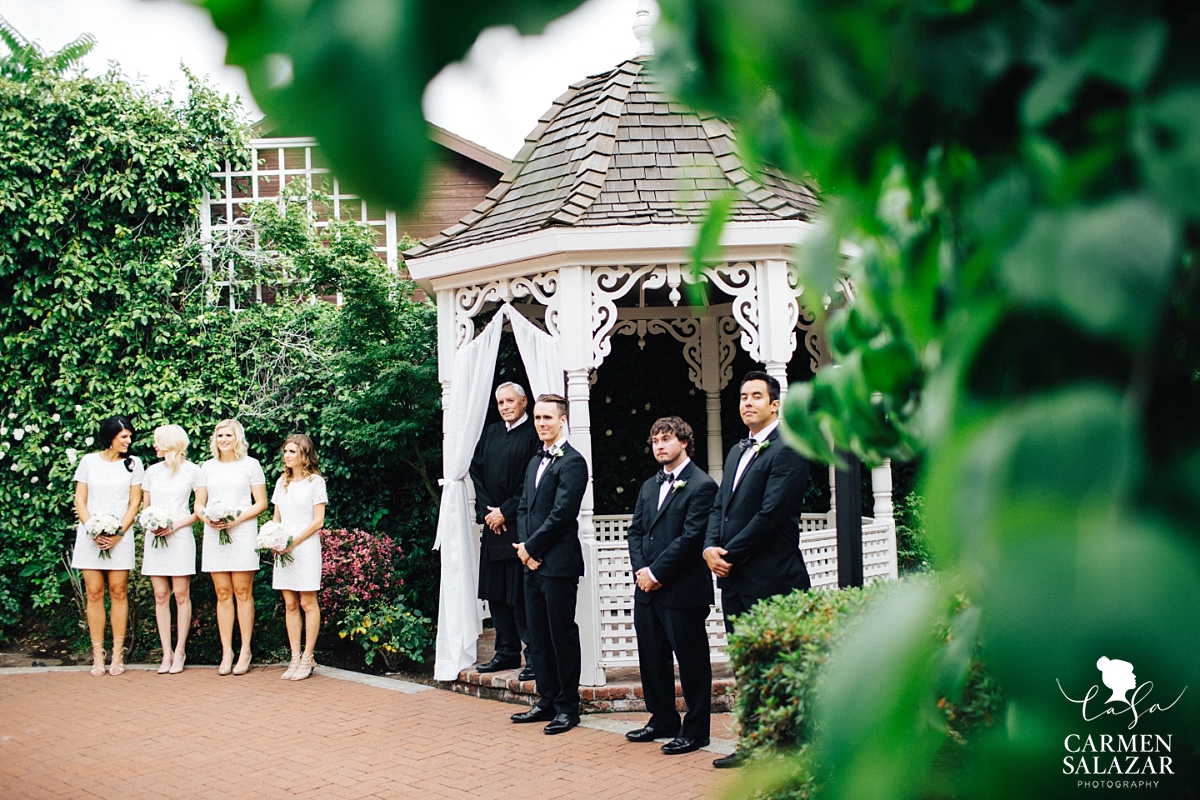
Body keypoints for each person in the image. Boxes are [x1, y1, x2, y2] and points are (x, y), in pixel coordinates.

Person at [703, 371, 811, 768]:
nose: (747, 402)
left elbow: (770, 516)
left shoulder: (790, 448)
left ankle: (789, 749)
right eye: (743, 396)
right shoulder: (735, 452)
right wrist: (708, 549)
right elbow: (720, 508)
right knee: (746, 665)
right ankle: (752, 743)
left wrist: (726, 555)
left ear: (775, 404)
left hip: (772, 577)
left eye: (756, 396)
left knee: (779, 666)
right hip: (734, 580)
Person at [624, 417, 718, 755]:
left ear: (684, 442)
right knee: (652, 658)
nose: (659, 446)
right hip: (647, 588)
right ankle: (662, 718)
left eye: (666, 439)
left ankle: (696, 731)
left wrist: (657, 573)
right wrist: (641, 571)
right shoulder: (649, 485)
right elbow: (635, 532)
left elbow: (691, 538)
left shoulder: (702, 485)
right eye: (655, 441)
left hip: (683, 589)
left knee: (692, 661)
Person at [510, 394, 589, 735]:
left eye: (547, 418)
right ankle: (546, 699)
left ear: (562, 421)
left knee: (561, 635)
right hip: (531, 563)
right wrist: (526, 551)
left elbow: (562, 514)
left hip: (558, 563)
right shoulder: (534, 461)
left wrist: (533, 547)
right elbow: (525, 507)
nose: (541, 423)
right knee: (537, 636)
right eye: (538, 418)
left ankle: (568, 707)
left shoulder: (573, 462)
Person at [469, 381, 540, 678]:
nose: (505, 406)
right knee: (496, 592)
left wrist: (506, 511)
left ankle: (535, 656)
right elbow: (476, 470)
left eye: (510, 401)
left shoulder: (534, 435)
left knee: (524, 595)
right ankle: (506, 652)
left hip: (521, 522)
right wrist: (490, 513)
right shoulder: (491, 433)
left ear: (524, 401)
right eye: (500, 403)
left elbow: (533, 480)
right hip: (493, 523)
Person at [194, 419, 268, 676]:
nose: (223, 440)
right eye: (219, 436)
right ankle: (227, 651)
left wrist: (235, 519)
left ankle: (246, 649)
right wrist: (209, 518)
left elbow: (261, 503)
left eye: (228, 435)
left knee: (242, 591)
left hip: (243, 532)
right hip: (215, 535)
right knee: (222, 593)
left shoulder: (251, 465)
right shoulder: (206, 467)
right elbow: (199, 505)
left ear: (237, 438)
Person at [72, 415, 143, 677]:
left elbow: (134, 503)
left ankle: (117, 655)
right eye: (124, 436)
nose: (129, 441)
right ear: (110, 436)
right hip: (90, 535)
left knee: (118, 591)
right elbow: (80, 500)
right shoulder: (88, 461)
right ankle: (97, 656)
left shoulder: (134, 464)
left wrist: (118, 534)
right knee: (93, 592)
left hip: (119, 536)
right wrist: (92, 529)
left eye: (130, 436)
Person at [141, 424, 201, 674]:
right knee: (160, 595)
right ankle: (165, 652)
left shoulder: (193, 471)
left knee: (180, 594)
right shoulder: (152, 472)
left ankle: (180, 651)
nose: (154, 445)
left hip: (181, 537)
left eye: (158, 441)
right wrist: (152, 523)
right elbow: (146, 508)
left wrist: (173, 526)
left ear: (171, 443)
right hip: (155, 539)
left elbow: (199, 511)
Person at [270, 434, 328, 681]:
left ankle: (308, 656)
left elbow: (318, 521)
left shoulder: (316, 482)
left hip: (304, 547)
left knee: (307, 602)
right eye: (285, 451)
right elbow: (276, 517)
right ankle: (294, 657)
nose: (287, 456)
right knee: (290, 604)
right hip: (283, 550)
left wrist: (295, 541)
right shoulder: (282, 481)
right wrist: (274, 538)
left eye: (292, 451)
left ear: (304, 454)